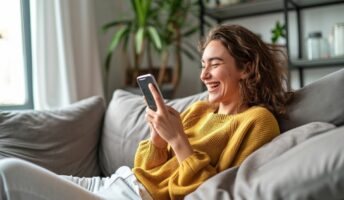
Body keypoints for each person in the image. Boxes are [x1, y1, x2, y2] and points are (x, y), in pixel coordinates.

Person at [0, 24, 292, 200]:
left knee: (9, 172)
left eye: (214, 64)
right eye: (203, 65)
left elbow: (214, 192)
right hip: (114, 183)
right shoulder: (200, 109)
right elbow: (147, 168)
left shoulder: (257, 121)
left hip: (135, 197)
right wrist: (158, 138)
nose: (204, 75)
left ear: (247, 68)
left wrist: (178, 141)